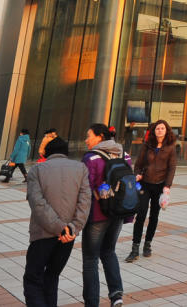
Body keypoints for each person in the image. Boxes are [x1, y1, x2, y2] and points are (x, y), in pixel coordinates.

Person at [24, 136, 91, 307]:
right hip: (67, 237)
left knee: (33, 278)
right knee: (52, 276)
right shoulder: (80, 169)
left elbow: (37, 203)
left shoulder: (36, 170)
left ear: (48, 153)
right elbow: (85, 202)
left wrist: (60, 227)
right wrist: (72, 228)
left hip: (42, 235)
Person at [82, 123, 132, 307]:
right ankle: (116, 295)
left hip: (97, 214)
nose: (86, 140)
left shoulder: (91, 157)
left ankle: (92, 302)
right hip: (117, 212)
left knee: (90, 259)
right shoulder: (124, 154)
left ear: (100, 136)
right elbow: (129, 185)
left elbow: (84, 188)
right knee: (109, 252)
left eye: (89, 135)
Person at [127, 119, 178, 263]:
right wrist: (137, 174)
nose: (159, 130)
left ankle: (147, 244)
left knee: (154, 216)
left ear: (166, 130)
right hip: (145, 185)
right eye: (157, 128)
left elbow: (172, 168)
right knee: (141, 215)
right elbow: (138, 164)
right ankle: (135, 248)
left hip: (159, 185)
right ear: (154, 131)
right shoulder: (147, 145)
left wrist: (167, 186)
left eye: (162, 128)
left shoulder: (170, 147)